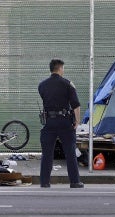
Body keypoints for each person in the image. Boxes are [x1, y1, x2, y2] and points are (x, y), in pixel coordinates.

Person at [38, 58, 83, 188]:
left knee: (47, 154)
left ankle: (44, 182)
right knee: (70, 152)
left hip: (49, 122)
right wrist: (77, 121)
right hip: (65, 122)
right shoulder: (68, 84)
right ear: (60, 68)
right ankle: (75, 182)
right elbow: (76, 105)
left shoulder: (42, 85)